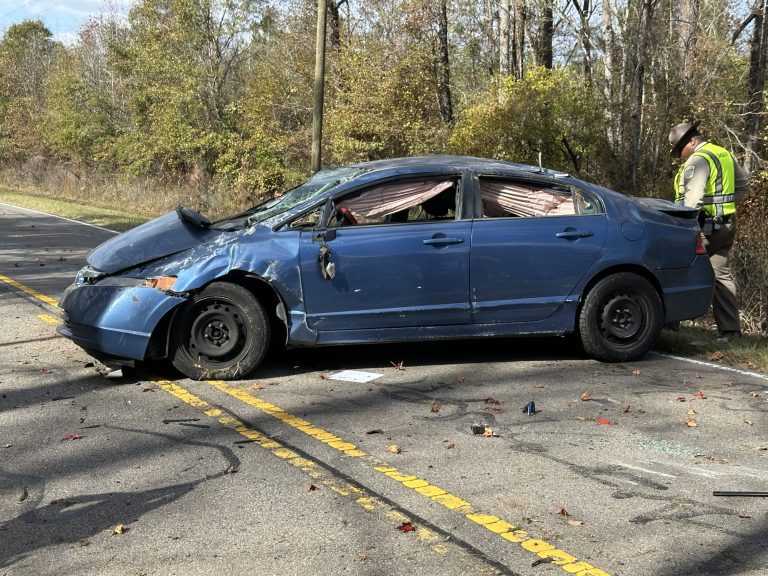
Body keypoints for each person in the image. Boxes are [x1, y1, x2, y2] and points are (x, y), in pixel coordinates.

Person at [668, 121, 749, 342]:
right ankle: (730, 331)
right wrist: (726, 207)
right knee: (720, 274)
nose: (679, 155)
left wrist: (688, 228)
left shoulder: (699, 159)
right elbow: (744, 183)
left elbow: (693, 198)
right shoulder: (723, 153)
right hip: (725, 224)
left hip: (703, 227)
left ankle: (668, 326)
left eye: (680, 149)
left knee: (677, 268)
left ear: (692, 141)